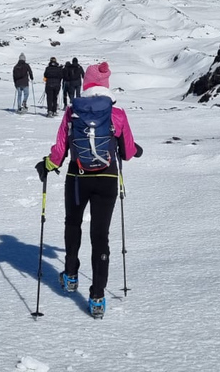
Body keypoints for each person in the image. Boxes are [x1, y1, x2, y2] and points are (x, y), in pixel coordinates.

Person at [34, 62, 142, 318]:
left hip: (77, 177)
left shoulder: (73, 111)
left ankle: (71, 275)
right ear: (105, 86)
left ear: (86, 85)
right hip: (107, 178)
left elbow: (60, 150)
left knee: (73, 224)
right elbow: (126, 153)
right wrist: (135, 149)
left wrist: (47, 164)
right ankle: (97, 298)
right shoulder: (117, 114)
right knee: (100, 236)